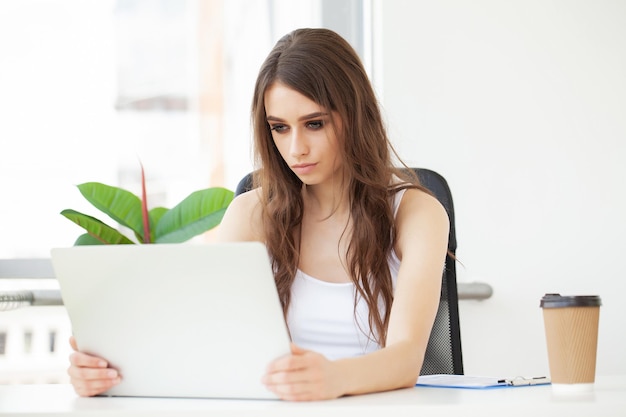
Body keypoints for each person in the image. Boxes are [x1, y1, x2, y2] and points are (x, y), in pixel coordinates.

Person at [67, 28, 449, 401]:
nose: (296, 148)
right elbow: (213, 342)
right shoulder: (252, 214)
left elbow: (406, 359)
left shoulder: (417, 213)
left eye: (314, 124)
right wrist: (109, 373)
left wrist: (332, 378)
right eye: (280, 128)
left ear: (355, 115)